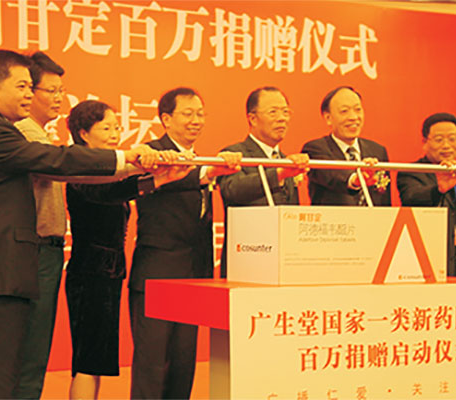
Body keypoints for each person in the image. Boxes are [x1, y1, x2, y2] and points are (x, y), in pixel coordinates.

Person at [0, 49, 158, 399]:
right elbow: (56, 160)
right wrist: (124, 157)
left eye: (31, 87)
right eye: (22, 86)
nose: (29, 94)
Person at [64, 100, 189, 399]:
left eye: (117, 127)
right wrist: (158, 178)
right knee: (87, 360)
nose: (114, 134)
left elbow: (121, 184)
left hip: (107, 273)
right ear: (83, 134)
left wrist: (164, 175)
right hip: (90, 272)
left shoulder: (108, 169)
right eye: (105, 128)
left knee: (95, 361)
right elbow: (108, 191)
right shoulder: (79, 167)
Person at [128, 87, 241, 399]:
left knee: (182, 364)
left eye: (200, 114)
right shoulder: (152, 153)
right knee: (151, 365)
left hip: (192, 277)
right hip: (156, 276)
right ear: (166, 119)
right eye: (188, 114)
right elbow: (165, 181)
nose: (196, 120)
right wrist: (210, 170)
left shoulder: (202, 159)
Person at [12, 51, 67, 399]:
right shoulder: (25, 132)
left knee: (33, 350)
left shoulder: (38, 133)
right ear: (28, 92)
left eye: (62, 91)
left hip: (44, 251)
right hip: (37, 251)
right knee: (30, 351)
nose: (59, 98)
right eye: (52, 90)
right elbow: (65, 167)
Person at [217, 86, 310, 277]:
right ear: (252, 118)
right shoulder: (235, 154)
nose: (282, 118)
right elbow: (232, 190)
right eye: (273, 112)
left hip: (286, 261)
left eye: (285, 112)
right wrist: (279, 174)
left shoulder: (285, 160)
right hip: (247, 260)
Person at [397, 112, 456, 277]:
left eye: (452, 139)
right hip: (430, 264)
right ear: (425, 143)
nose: (446, 145)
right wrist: (439, 190)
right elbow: (411, 198)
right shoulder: (411, 172)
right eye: (439, 140)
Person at [302, 86, 391, 206]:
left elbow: (384, 202)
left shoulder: (378, 151)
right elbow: (333, 176)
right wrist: (356, 180)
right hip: (334, 218)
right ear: (328, 118)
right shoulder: (315, 149)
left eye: (358, 110)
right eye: (344, 111)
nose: (353, 117)